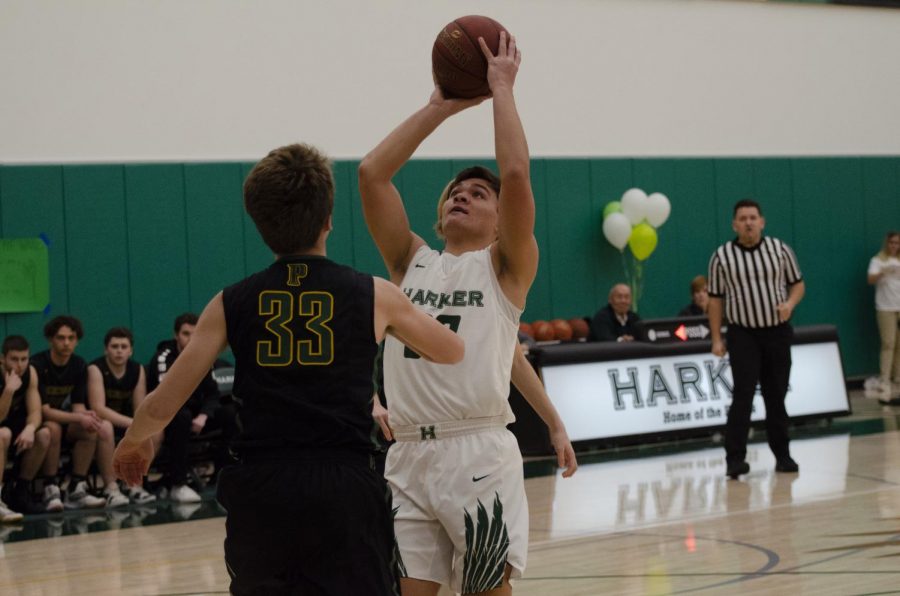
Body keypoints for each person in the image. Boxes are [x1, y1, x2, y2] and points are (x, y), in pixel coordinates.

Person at [113, 142, 465, 595]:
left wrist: (134, 441)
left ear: (259, 224)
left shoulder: (229, 302)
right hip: (343, 483)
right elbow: (452, 352)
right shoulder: (374, 294)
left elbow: (163, 404)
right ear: (329, 220)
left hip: (263, 486)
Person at [359, 32, 577, 595]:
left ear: (503, 220)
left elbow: (518, 176)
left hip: (477, 452)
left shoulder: (505, 269)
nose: (463, 194)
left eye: (480, 193)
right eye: (457, 190)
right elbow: (371, 174)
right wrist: (439, 107)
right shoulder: (411, 263)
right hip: (406, 454)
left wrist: (501, 88)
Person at [708, 199, 805, 479]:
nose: (748, 222)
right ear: (734, 224)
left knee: (777, 395)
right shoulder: (722, 256)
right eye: (742, 218)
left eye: (753, 217)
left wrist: (790, 304)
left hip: (776, 331)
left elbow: (798, 284)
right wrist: (716, 338)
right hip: (743, 333)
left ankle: (783, 456)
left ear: (762, 221)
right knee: (743, 396)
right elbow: (715, 301)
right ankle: (734, 459)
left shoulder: (780, 250)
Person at [30, 316, 109, 510]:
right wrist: (79, 417)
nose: (66, 343)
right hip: (36, 422)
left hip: (66, 419)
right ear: (50, 339)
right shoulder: (38, 364)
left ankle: (76, 488)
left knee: (91, 428)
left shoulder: (79, 365)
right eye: (61, 338)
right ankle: (51, 487)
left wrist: (88, 418)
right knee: (54, 428)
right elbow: (45, 412)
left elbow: (78, 406)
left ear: (77, 340)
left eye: (71, 338)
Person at [146, 313, 223, 503]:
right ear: (176, 335)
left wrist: (204, 415)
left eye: (195, 334)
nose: (190, 339)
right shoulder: (163, 358)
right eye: (186, 334)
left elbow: (213, 393)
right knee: (181, 416)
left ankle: (222, 476)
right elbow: (167, 396)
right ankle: (178, 484)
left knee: (229, 415)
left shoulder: (204, 355)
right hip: (169, 413)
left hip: (196, 414)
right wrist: (194, 416)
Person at [87, 327, 156, 503]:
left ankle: (133, 483)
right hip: (99, 422)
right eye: (114, 346)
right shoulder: (95, 368)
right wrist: (133, 423)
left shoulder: (137, 369)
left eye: (124, 346)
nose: (119, 350)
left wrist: (140, 425)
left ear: (130, 350)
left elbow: (140, 407)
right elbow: (98, 408)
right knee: (106, 428)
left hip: (126, 421)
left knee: (154, 431)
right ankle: (111, 488)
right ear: (106, 349)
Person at [0, 336, 52, 519]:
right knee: (3, 434)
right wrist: (8, 390)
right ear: (2, 359)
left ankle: (20, 491)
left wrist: (30, 428)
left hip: (17, 430)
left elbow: (36, 411)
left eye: (24, 359)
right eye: (14, 359)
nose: (20, 364)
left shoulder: (30, 373)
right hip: (2, 429)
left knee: (44, 434)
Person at [867, 231, 900, 404]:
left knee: (899, 345)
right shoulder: (878, 260)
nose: (894, 246)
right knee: (888, 343)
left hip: (899, 305)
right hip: (885, 307)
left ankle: (897, 377)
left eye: (897, 243)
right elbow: (870, 279)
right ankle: (884, 379)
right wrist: (883, 272)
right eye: (892, 243)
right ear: (887, 244)